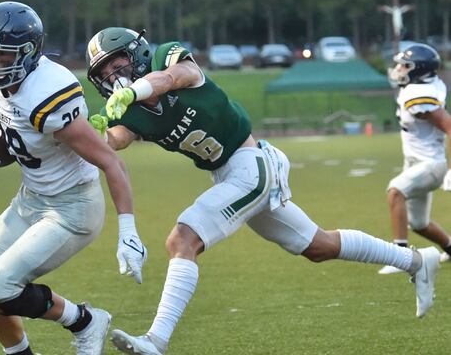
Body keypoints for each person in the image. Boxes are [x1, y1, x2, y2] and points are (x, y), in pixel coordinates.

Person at [83, 28, 441, 355]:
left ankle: (156, 340)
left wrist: (136, 88)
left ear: (138, 52)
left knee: (183, 239)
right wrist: (90, 132)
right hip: (227, 175)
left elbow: (177, 77)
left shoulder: (166, 57)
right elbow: (116, 140)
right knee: (319, 246)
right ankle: (414, 261)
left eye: (118, 63)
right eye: (105, 72)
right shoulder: (127, 111)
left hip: (249, 163)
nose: (114, 75)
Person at [0, 2, 145, 355]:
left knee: (0, 286)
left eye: (2, 56)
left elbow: (110, 161)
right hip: (31, 197)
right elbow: (16, 134)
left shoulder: (48, 93)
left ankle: (86, 321)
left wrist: (128, 230)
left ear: (28, 53)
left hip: (72, 207)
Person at [377, 44, 451, 274]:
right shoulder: (421, 85)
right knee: (418, 224)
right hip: (417, 162)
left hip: (431, 165)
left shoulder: (419, 94)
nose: (399, 69)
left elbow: (450, 127)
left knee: (395, 191)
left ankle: (400, 256)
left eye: (405, 65)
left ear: (419, 69)